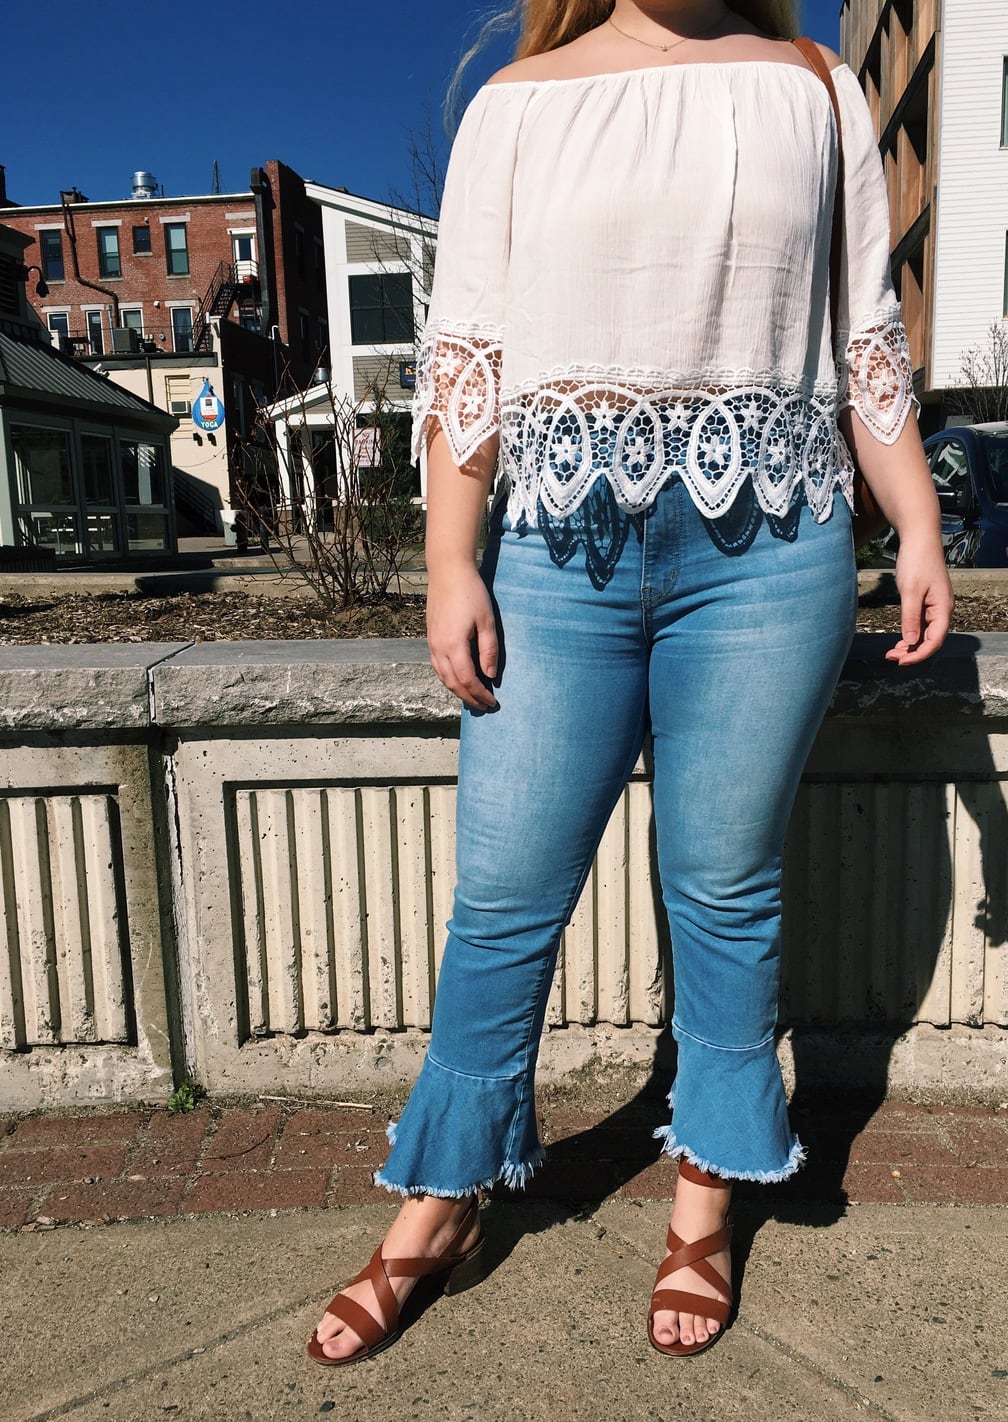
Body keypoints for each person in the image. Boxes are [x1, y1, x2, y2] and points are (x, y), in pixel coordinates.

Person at [309, 0, 953, 1365]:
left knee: (726, 883)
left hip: (773, 546)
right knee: (504, 888)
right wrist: (446, 560)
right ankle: (445, 1197)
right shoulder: (519, 104)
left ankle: (707, 1191)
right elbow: (467, 348)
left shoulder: (814, 87)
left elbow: (862, 336)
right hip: (554, 549)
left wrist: (919, 527)